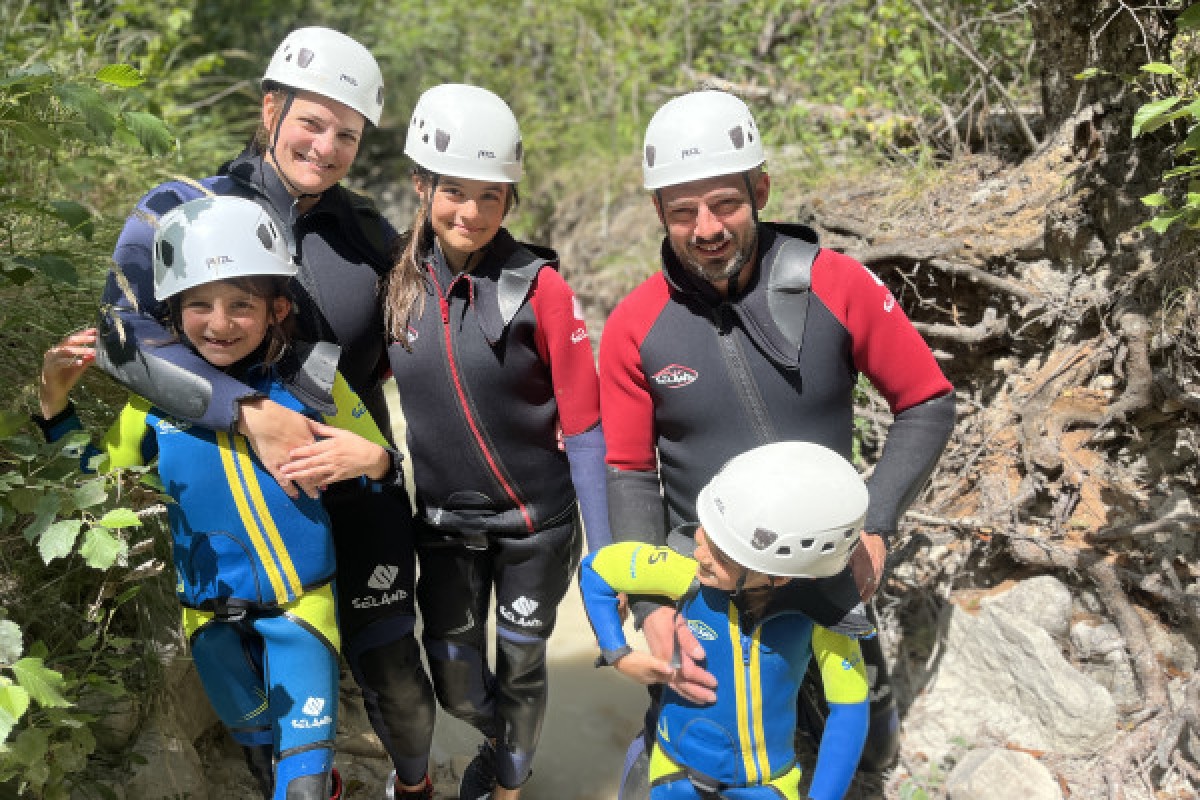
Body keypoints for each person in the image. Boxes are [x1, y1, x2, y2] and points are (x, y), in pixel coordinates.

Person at [93, 28, 438, 800]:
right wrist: (245, 411)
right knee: (256, 691)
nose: (326, 145)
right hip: (240, 489)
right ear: (271, 106)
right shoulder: (179, 207)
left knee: (395, 671)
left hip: (354, 483)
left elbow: (415, 353)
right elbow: (120, 341)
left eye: (347, 134)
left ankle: (413, 785)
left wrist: (384, 461)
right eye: (312, 121)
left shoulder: (368, 235)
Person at [598, 89, 956, 795]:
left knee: (868, 744)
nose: (706, 228)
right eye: (681, 211)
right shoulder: (635, 326)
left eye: (726, 203)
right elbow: (631, 471)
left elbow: (927, 401)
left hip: (827, 563)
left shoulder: (837, 286)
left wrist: (876, 528)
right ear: (658, 212)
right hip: (707, 576)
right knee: (703, 753)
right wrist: (650, 610)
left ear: (761, 188)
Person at [36, 196, 399, 800]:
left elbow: (380, 468)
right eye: (198, 305)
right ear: (173, 317)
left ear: (277, 309)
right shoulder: (153, 406)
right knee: (261, 763)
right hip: (208, 624)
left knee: (300, 784)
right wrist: (54, 408)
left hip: (301, 615)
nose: (220, 322)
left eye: (241, 305)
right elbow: (98, 486)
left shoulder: (312, 382)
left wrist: (377, 460)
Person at [384, 83, 609, 800]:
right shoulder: (394, 283)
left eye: (492, 195)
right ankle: (505, 738)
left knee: (521, 668)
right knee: (453, 677)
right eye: (454, 191)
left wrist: (603, 554)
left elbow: (586, 425)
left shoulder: (540, 290)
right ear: (422, 184)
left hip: (536, 529)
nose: (472, 213)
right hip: (446, 524)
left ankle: (509, 785)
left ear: (510, 199)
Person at [581, 441, 872, 800]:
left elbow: (850, 711)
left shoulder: (820, 618)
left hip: (766, 785)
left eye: (720, 553)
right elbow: (596, 570)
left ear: (777, 576)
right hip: (672, 769)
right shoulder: (685, 571)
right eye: (705, 531)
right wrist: (619, 655)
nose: (699, 550)